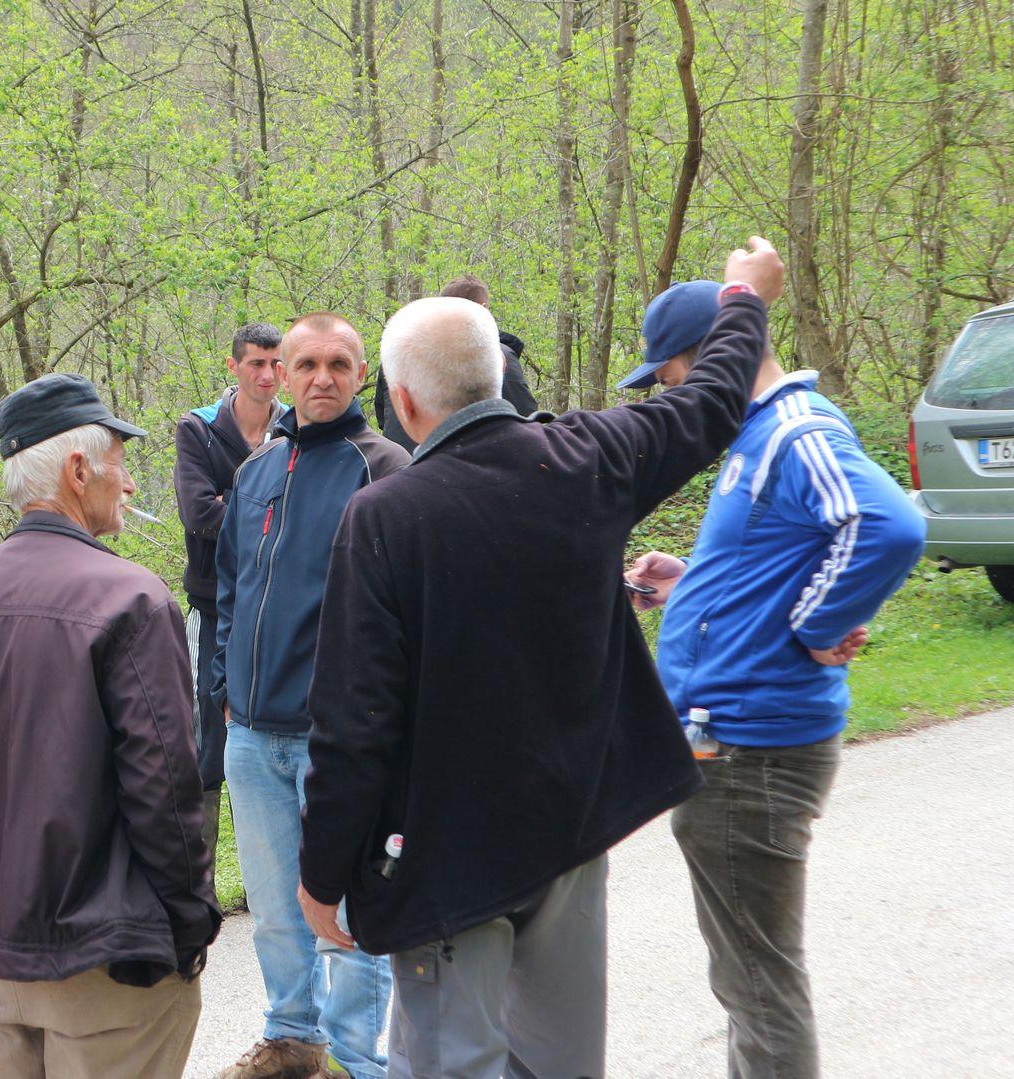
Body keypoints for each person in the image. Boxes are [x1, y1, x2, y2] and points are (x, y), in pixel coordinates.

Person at [298, 238, 788, 1078]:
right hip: (566, 837)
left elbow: (355, 720)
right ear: (495, 375)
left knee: (451, 1062)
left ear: (403, 402)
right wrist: (743, 300)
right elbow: (711, 401)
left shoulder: (383, 518)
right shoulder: (587, 459)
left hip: (442, 859)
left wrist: (322, 874)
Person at [0, 373, 220, 1079]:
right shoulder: (132, 597)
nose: (126, 482)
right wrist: (189, 921)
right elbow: (166, 790)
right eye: (119, 462)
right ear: (78, 469)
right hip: (109, 960)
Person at [623, 280, 925, 1078]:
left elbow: (888, 524)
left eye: (668, 374)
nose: (670, 393)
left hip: (749, 750)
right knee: (749, 979)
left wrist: (816, 626)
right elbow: (781, 559)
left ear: (711, 354)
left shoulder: (793, 429)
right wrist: (691, 585)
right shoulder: (762, 436)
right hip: (732, 742)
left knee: (759, 984)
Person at [212, 313, 407, 1079]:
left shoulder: (385, 466)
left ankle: (361, 1062)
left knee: (346, 913)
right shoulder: (255, 469)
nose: (321, 377)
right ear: (280, 374)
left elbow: (400, 606)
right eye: (306, 364)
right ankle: (293, 1038)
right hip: (253, 733)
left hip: (338, 735)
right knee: (275, 909)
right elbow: (228, 584)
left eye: (338, 363)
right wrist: (226, 686)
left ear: (363, 374)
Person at [172, 322, 285, 858]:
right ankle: (201, 878)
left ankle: (270, 860)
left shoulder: (297, 429)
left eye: (276, 363)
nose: (268, 375)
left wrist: (232, 503)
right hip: (213, 602)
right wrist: (273, 513)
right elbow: (198, 514)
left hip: (281, 604)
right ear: (234, 366)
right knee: (208, 732)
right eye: (256, 363)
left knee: (273, 724)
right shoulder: (199, 428)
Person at [373, 273, 538, 452]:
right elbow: (524, 416)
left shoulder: (399, 352)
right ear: (483, 308)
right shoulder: (495, 354)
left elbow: (383, 417)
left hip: (398, 463)